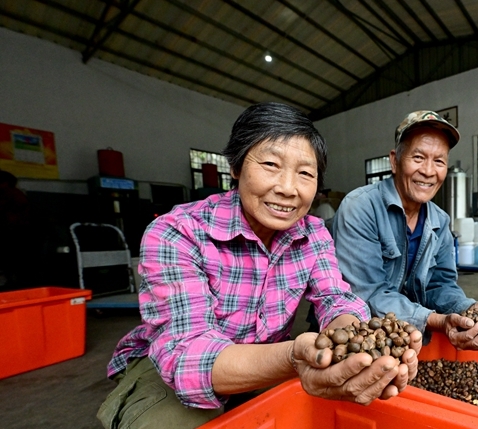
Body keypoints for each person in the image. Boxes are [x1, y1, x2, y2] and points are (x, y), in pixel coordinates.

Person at [97, 102, 422, 429]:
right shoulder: (177, 232)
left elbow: (335, 298)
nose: (287, 188)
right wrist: (294, 357)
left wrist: (351, 342)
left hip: (266, 360)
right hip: (169, 368)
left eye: (305, 173)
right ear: (236, 168)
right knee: (166, 423)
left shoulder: (313, 234)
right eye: (270, 164)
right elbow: (187, 356)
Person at [332, 110, 478, 351]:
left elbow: (441, 285)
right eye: (418, 157)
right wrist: (436, 320)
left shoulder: (440, 221)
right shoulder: (360, 207)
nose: (428, 171)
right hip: (350, 340)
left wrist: (466, 308)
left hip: (404, 339)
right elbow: (367, 293)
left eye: (439, 161)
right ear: (394, 161)